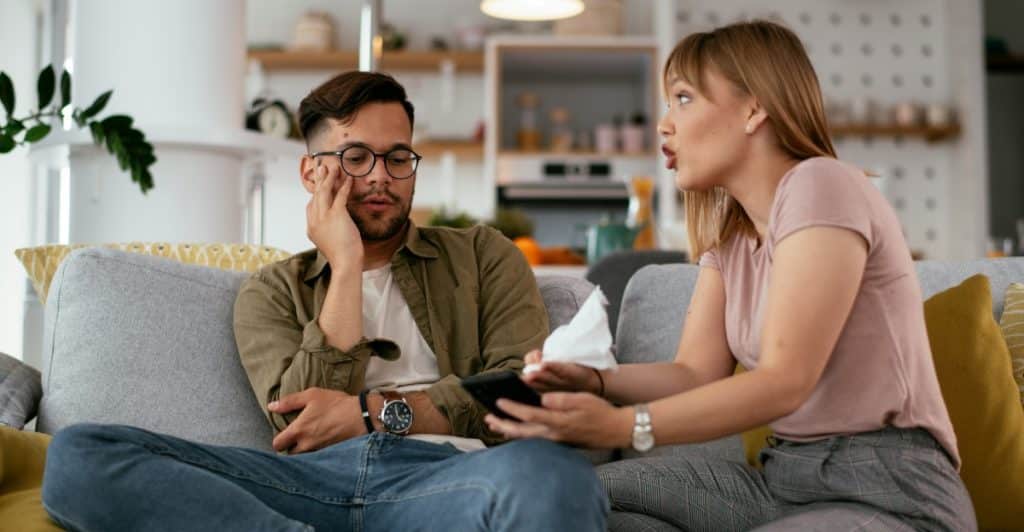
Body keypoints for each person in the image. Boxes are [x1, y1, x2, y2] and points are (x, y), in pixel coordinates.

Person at [41, 71, 608, 532]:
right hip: (303, 488)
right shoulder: (270, 290)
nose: (381, 178)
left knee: (556, 476)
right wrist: (347, 265)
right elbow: (298, 427)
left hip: (446, 481)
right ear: (312, 173)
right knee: (80, 456)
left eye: (398, 158)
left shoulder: (483, 255)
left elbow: (517, 394)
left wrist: (373, 414)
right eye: (356, 157)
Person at [486, 20, 976, 532]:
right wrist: (596, 380)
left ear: (754, 108)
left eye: (683, 98)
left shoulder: (821, 184)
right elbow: (694, 374)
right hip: (782, 479)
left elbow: (785, 381)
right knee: (577, 492)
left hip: (889, 489)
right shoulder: (732, 241)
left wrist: (620, 425)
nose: (663, 124)